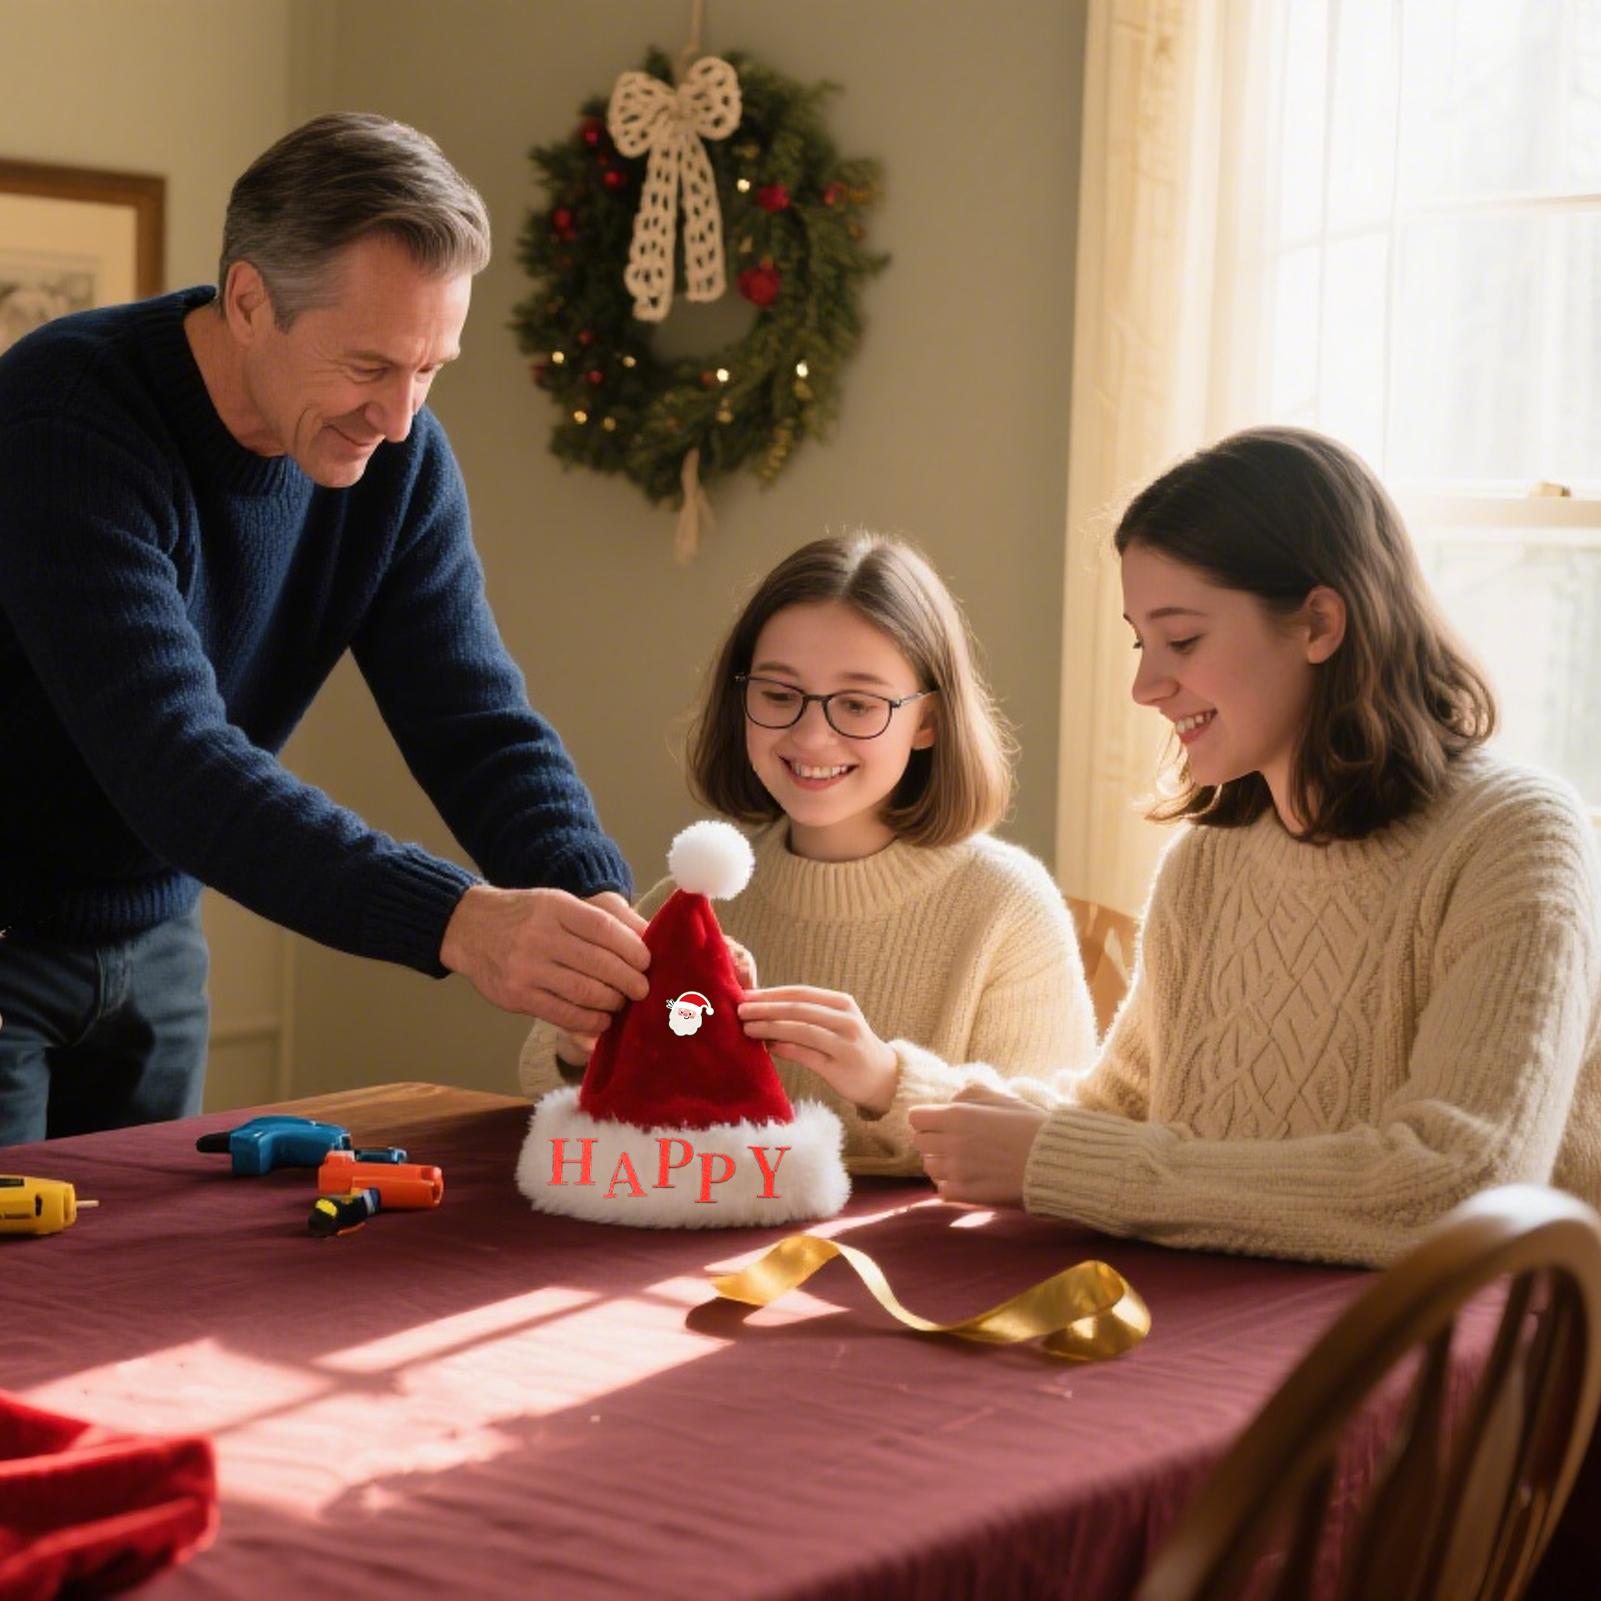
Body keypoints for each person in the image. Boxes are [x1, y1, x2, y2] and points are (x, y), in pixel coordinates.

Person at [0, 113, 649, 1146]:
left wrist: (606, 925)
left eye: (430, 369)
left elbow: (474, 720)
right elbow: (174, 760)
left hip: (154, 937)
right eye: (370, 365)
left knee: (137, 1280)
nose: (397, 417)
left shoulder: (398, 460)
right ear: (251, 300)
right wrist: (460, 922)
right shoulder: (65, 418)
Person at [909, 426, 1601, 1266]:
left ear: (1316, 622)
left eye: (1182, 638)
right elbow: (1116, 1118)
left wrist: (1059, 1163)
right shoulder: (1208, 862)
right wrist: (891, 1083)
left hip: (1453, 1365)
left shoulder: (1514, 836)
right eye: (1139, 640)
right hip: (1222, 1322)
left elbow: (1457, 1185)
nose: (1144, 685)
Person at [520, 533, 1098, 1172]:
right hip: (694, 1255)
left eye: (858, 704)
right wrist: (584, 1045)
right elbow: (557, 1090)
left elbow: (1054, 1134)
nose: (812, 734)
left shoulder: (1007, 908)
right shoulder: (696, 903)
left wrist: (886, 1081)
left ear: (928, 721)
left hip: (904, 1269)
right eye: (778, 695)